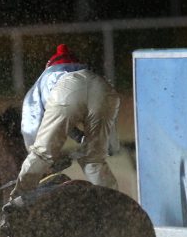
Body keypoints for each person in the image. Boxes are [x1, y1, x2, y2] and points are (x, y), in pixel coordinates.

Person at [7, 44, 120, 207]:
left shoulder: (44, 80)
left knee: (41, 154)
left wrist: (41, 157)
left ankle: (16, 203)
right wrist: (107, 145)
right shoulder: (87, 72)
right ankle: (114, 205)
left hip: (67, 91)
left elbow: (32, 125)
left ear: (49, 66)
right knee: (94, 160)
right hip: (104, 88)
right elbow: (77, 114)